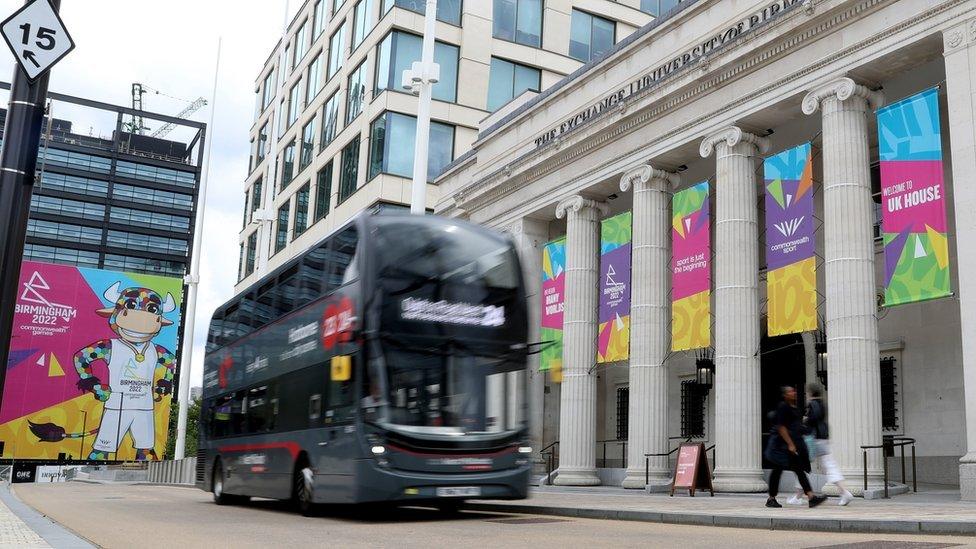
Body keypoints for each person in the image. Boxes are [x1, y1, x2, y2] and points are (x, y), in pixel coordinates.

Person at [787, 382, 855, 506]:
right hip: (823, 438)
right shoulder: (823, 404)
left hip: (812, 440)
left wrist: (805, 420)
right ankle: (844, 492)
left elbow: (814, 418)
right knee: (830, 465)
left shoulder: (813, 404)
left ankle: (798, 496)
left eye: (807, 393)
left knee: (801, 466)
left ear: (810, 393)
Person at [764, 386, 827, 508]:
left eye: (793, 391)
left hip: (792, 446)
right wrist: (790, 444)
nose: (793, 393)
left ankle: (811, 497)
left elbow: (796, 426)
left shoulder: (795, 408)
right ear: (785, 395)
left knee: (799, 471)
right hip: (783, 447)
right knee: (777, 472)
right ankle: (771, 498)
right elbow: (781, 427)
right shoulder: (783, 407)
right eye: (790, 391)